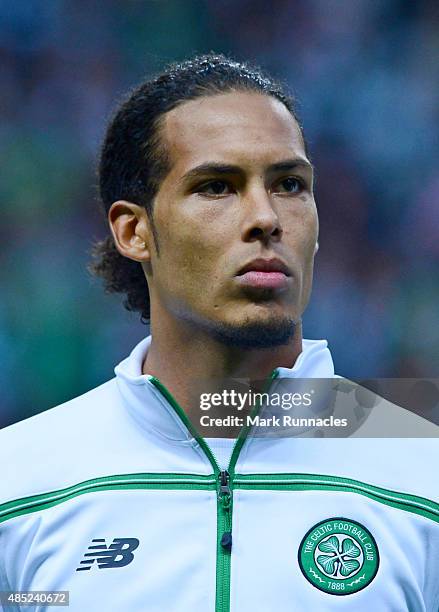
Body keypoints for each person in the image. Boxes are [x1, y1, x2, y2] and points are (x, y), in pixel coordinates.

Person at [0, 54, 438, 612]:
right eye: (217, 187)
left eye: (289, 184)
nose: (266, 216)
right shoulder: (17, 486)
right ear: (134, 232)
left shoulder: (424, 473)